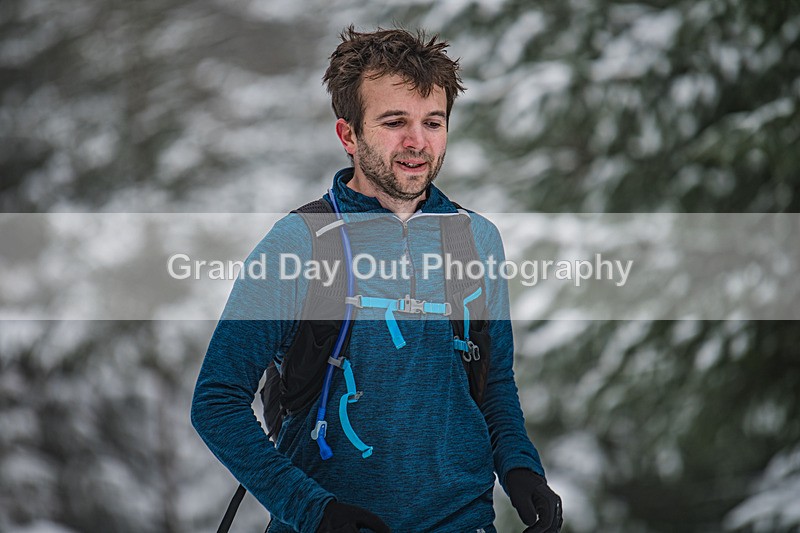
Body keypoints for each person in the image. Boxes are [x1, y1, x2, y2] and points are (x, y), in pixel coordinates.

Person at [191, 26, 563, 533]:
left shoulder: (474, 239)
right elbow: (216, 401)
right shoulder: (299, 244)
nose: (417, 142)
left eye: (433, 122)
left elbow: (491, 382)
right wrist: (313, 511)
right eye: (394, 122)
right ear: (348, 134)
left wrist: (520, 467)